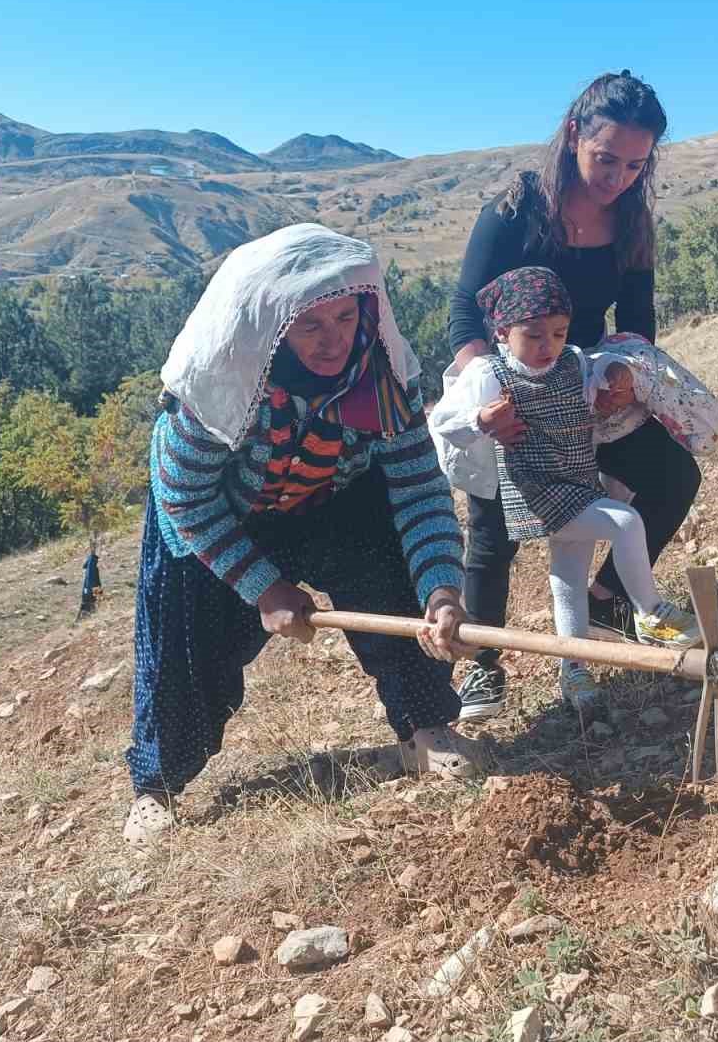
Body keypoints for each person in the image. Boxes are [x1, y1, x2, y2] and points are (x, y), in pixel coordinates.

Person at [123, 223, 477, 844]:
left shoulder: (384, 373)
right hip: (219, 516)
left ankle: (426, 728)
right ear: (272, 325)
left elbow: (419, 488)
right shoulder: (216, 384)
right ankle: (158, 783)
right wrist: (265, 588)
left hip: (335, 495)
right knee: (183, 642)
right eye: (310, 325)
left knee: (392, 566)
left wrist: (442, 590)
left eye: (345, 317)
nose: (333, 339)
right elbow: (184, 496)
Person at [447, 70, 702, 722]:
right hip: (507, 378)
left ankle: (611, 599)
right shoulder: (514, 209)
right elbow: (463, 314)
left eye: (635, 165)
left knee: (672, 476)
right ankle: (482, 666)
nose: (618, 176)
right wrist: (490, 394)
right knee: (493, 528)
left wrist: (620, 372)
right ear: (571, 136)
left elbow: (638, 317)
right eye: (606, 158)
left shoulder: (632, 219)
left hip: (585, 382)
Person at [430, 267, 700, 716]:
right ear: (502, 332)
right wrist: (481, 421)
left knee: (568, 580)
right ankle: (649, 612)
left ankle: (574, 670)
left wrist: (616, 377)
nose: (546, 346)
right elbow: (443, 421)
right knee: (626, 521)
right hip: (538, 491)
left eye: (557, 333)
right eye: (533, 336)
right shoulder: (488, 372)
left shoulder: (571, 361)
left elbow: (601, 376)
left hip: (576, 481)